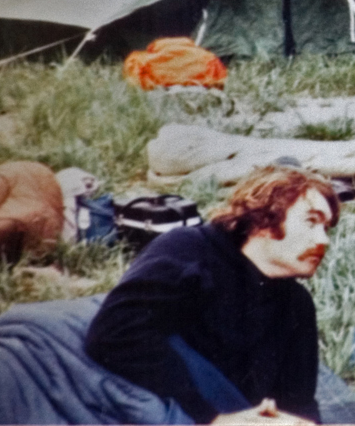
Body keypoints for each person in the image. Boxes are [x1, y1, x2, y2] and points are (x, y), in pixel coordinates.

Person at [85, 166, 339, 425]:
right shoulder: (190, 251)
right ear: (264, 221)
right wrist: (212, 416)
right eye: (311, 222)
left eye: (326, 228)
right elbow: (113, 332)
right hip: (134, 390)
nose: (324, 240)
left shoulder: (296, 303)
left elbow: (298, 401)